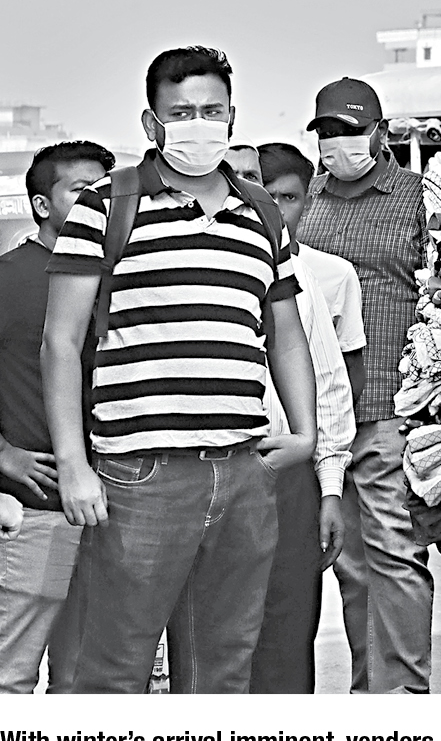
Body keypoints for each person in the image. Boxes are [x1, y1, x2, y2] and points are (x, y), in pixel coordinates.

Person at [42, 46, 318, 694]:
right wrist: (73, 464)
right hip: (140, 475)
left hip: (242, 470)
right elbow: (60, 340)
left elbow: (285, 332)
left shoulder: (261, 213)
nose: (200, 125)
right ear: (152, 123)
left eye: (212, 111)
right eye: (182, 112)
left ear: (232, 117)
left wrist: (307, 432)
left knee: (223, 669)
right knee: (114, 669)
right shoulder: (106, 206)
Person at [296, 77, 432, 694]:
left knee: (396, 554)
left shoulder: (416, 198)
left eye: (349, 131)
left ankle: (402, 695)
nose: (337, 142)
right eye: (326, 132)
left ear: (380, 133)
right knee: (350, 566)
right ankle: (367, 693)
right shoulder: (306, 200)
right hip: (325, 411)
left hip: (387, 404)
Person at [249, 142, 363, 693]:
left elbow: (331, 385)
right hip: (197, 470)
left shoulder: (302, 275)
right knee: (211, 636)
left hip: (286, 474)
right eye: (248, 185)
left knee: (288, 632)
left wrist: (330, 487)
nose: (266, 204)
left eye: (284, 196)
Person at [0, 141, 113, 693]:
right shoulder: (9, 277)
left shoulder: (123, 276)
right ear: (43, 205)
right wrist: (3, 454)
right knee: (11, 676)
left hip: (120, 504)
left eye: (105, 192)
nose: (99, 203)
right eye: (82, 191)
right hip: (37, 509)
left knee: (89, 679)